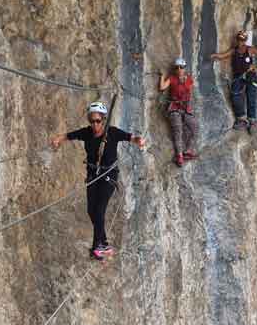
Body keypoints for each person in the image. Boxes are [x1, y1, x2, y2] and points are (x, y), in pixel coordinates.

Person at [50, 101, 146, 259]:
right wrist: (58, 139)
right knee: (91, 211)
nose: (94, 124)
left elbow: (131, 137)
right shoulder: (87, 132)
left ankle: (97, 247)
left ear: (103, 119)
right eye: (92, 121)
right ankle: (104, 243)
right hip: (93, 175)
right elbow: (70, 135)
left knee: (99, 209)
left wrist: (139, 141)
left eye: (98, 121)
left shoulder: (112, 132)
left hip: (108, 175)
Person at [209, 30, 257, 131]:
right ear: (237, 40)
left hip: (250, 75)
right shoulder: (234, 50)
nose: (241, 42)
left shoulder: (250, 49)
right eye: (240, 40)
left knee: (251, 96)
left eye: (243, 40)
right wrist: (215, 56)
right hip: (239, 76)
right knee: (234, 95)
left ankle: (252, 121)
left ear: (245, 40)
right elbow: (223, 55)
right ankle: (241, 119)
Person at [158, 57, 198, 167]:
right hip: (174, 107)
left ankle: (187, 151)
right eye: (177, 67)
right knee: (178, 130)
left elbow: (189, 94)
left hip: (185, 107)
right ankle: (179, 155)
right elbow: (162, 87)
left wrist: (189, 109)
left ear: (184, 68)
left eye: (181, 67)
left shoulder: (189, 79)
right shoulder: (171, 78)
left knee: (194, 127)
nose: (179, 69)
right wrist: (162, 76)